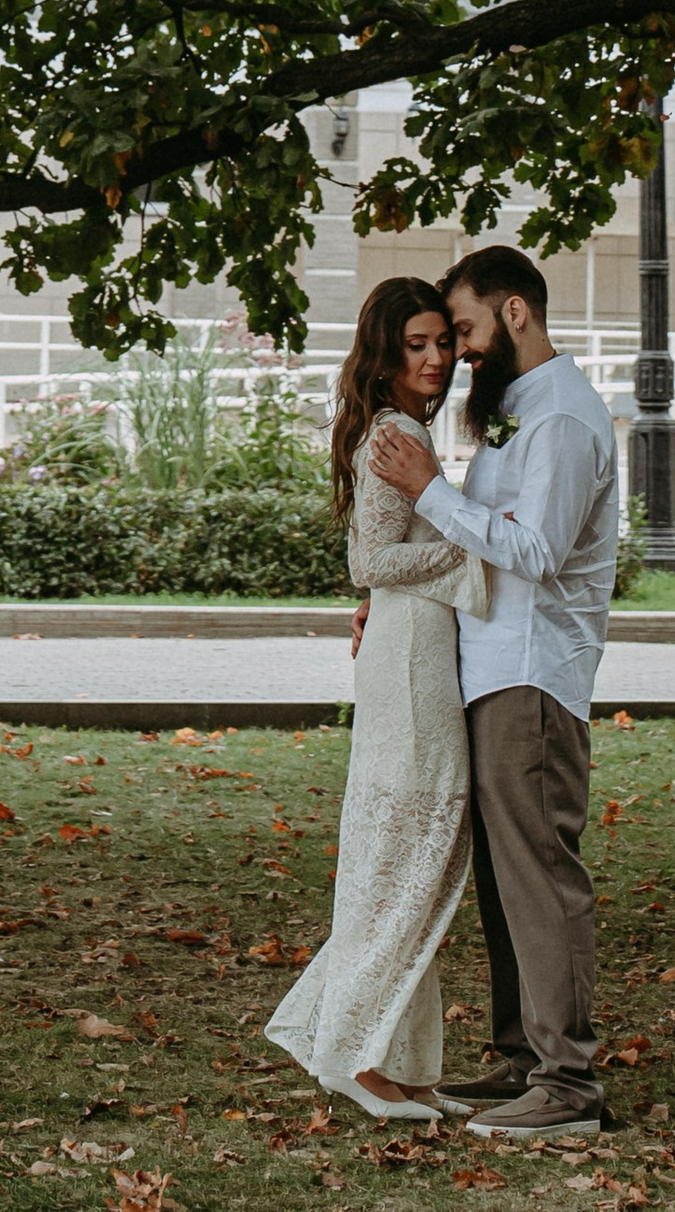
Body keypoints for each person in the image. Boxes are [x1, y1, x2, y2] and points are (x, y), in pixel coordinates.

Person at [369, 243, 619, 1149]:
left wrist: (431, 490)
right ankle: (524, 1058)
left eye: (467, 329)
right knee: (502, 883)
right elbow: (480, 551)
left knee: (540, 877)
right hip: (490, 670)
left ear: (515, 312)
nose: (460, 352)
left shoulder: (562, 420)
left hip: (533, 677)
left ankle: (567, 1082)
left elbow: (538, 552)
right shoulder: (519, 412)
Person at [267, 278, 492, 1122]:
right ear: (386, 356)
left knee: (409, 867)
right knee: (406, 861)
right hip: (408, 668)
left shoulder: (408, 431)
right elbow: (373, 564)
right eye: (417, 347)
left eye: (443, 342)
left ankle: (385, 1059)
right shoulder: (395, 434)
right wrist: (480, 549)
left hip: (420, 654)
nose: (437, 359)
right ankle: (357, 1057)